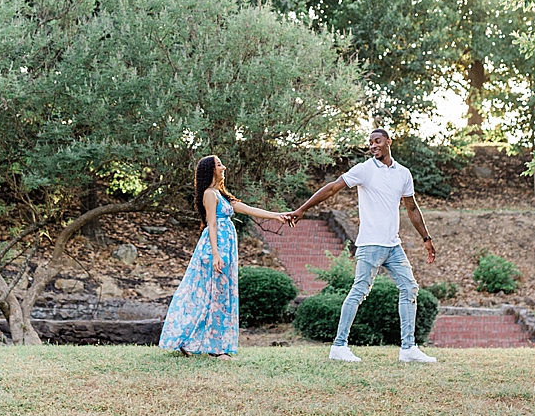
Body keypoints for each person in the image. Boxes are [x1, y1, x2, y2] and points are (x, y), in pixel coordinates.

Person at [287, 129, 438, 363]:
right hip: (370, 244)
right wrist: (302, 209)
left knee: (409, 288)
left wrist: (426, 238)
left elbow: (412, 208)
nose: (373, 146)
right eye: (370, 143)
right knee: (359, 291)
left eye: (377, 141)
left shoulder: (403, 174)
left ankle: (408, 348)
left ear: (389, 142)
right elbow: (332, 187)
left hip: (393, 246)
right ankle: (339, 346)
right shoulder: (364, 170)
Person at [158, 154, 292, 357]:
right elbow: (211, 223)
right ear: (210, 170)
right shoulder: (209, 195)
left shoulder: (220, 194)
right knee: (214, 296)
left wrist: (277, 216)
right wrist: (215, 254)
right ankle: (215, 349)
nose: (224, 167)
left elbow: (248, 209)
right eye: (219, 165)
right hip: (216, 248)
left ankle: (196, 343)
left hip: (224, 247)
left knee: (216, 295)